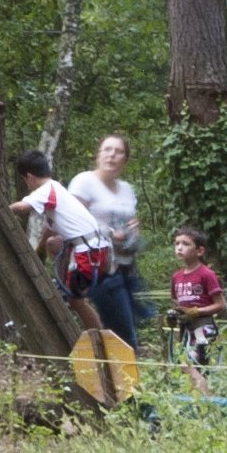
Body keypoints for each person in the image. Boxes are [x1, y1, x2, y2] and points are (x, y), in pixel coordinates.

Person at [12, 152, 118, 335]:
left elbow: (22, 207)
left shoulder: (46, 191)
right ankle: (63, 288)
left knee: (76, 300)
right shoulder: (56, 189)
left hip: (89, 251)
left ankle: (97, 337)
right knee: (53, 245)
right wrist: (41, 252)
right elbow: (49, 230)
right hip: (90, 248)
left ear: (29, 176)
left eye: (25, 181)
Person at [67, 133, 145, 339]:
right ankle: (122, 369)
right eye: (107, 150)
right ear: (98, 155)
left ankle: (109, 365)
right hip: (98, 266)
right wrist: (109, 234)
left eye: (118, 152)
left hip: (126, 264)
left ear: (125, 160)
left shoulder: (127, 189)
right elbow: (72, 221)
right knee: (123, 333)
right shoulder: (84, 182)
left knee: (129, 325)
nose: (112, 155)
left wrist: (133, 229)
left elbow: (130, 221)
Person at [167, 228, 226, 386]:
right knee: (190, 369)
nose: (179, 247)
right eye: (177, 243)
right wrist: (174, 315)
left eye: (185, 244)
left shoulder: (206, 274)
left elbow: (221, 304)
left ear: (199, 251)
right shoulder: (176, 277)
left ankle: (206, 402)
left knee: (191, 364)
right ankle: (201, 404)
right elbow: (177, 304)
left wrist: (197, 311)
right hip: (185, 329)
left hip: (203, 327)